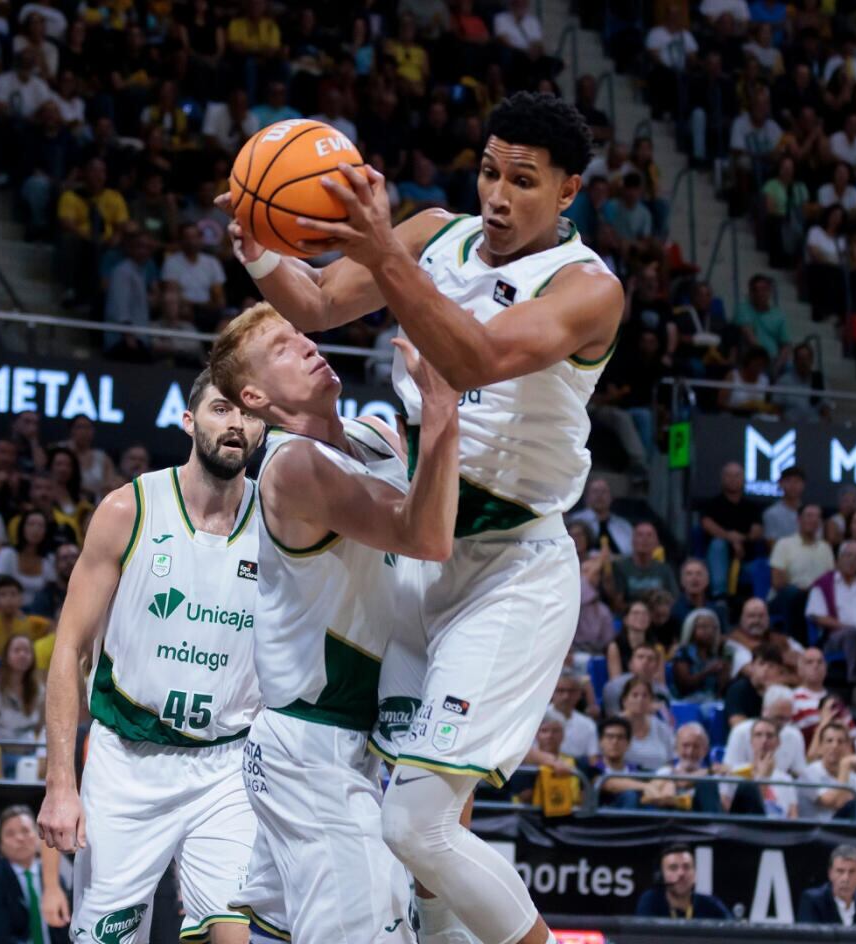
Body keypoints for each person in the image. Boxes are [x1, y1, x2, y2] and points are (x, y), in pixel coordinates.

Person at [223, 92, 621, 944]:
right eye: (490, 172)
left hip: (512, 567)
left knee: (417, 825)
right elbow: (318, 303)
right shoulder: (435, 233)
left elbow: (476, 356)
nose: (498, 196)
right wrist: (260, 249)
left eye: (524, 181)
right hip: (423, 563)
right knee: (427, 836)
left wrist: (379, 247)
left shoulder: (588, 289)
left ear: (568, 192)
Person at [204, 314, 455, 942]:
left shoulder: (373, 435)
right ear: (255, 397)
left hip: (348, 739)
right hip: (312, 748)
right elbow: (426, 534)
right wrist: (439, 409)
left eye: (303, 336)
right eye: (283, 349)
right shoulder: (294, 467)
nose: (308, 347)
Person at [35, 370, 265, 944]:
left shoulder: (280, 521)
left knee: (236, 931)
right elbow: (69, 649)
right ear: (189, 421)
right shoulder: (128, 508)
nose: (236, 423)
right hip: (128, 759)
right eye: (221, 409)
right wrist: (60, 782)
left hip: (228, 761)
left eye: (249, 413)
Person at [0, 806, 71, 944]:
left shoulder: (54, 879)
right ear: (0, 844)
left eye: (26, 831)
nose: (20, 838)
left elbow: (65, 927)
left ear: (39, 837)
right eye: (10, 834)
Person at [806, 541, 856, 694]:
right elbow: (817, 616)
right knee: (852, 634)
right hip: (834, 638)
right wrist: (850, 629)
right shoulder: (824, 584)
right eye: (848, 555)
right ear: (839, 558)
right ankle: (855, 684)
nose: (852, 560)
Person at [700, 462, 764, 597]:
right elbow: (707, 524)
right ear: (722, 478)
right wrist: (730, 537)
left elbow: (757, 531)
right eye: (728, 475)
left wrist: (741, 539)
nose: (733, 479)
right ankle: (720, 596)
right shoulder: (713, 504)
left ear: (743, 479)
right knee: (718, 544)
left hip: (746, 558)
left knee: (762, 567)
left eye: (737, 475)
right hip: (717, 558)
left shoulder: (752, 507)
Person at [635, 845, 733, 919]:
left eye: (686, 867)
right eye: (673, 868)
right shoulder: (650, 901)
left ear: (695, 874)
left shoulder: (710, 904)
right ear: (661, 876)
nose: (681, 873)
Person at [796, 845, 856, 926]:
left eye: (852, 872)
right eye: (840, 871)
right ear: (830, 873)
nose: (845, 878)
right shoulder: (813, 900)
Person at [799, 722, 856, 820]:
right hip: (814, 828)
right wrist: (844, 767)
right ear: (820, 747)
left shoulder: (854, 778)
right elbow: (836, 803)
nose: (834, 746)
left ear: (848, 747)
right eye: (829, 741)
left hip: (846, 828)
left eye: (840, 742)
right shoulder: (808, 774)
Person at [0, 576, 52, 655]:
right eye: (3, 594)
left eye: (13, 594)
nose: (9, 599)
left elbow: (52, 628)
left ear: (21, 599)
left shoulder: (33, 623)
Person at [569, 477, 632, 556]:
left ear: (611, 498)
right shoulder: (575, 522)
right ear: (586, 497)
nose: (599, 495)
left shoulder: (624, 526)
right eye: (595, 491)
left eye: (604, 491)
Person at [550, 675, 599, 759]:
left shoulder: (588, 724)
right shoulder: (538, 720)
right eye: (560, 690)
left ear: (579, 694)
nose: (566, 696)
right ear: (551, 692)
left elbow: (593, 758)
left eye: (571, 691)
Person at [762, 466, 806, 542]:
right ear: (780, 484)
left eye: (797, 481)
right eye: (788, 481)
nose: (793, 485)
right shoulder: (771, 513)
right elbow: (772, 544)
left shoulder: (811, 514)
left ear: (803, 485)